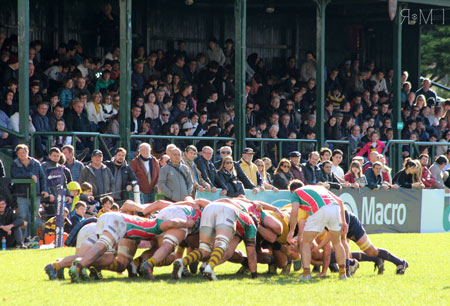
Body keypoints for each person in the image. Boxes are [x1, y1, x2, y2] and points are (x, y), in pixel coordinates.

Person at [175, 199, 258, 281]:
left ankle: (183, 262)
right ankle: (209, 267)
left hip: (209, 209)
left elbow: (229, 251)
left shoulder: (240, 220)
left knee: (205, 249)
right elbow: (251, 253)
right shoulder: (251, 225)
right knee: (221, 244)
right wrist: (254, 275)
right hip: (226, 212)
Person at [287, 181, 348, 280]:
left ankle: (306, 274)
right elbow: (340, 201)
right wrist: (344, 222)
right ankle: (342, 273)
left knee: (305, 242)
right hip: (335, 208)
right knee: (337, 242)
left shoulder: (296, 193)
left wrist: (291, 231)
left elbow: (294, 212)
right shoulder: (320, 188)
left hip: (320, 209)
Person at [11, 144, 49, 238]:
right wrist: (30, 175)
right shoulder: (15, 163)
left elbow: (42, 177)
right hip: (21, 194)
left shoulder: (36, 163)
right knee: (23, 216)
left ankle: (30, 237)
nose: (21, 154)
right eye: (19, 153)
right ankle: (41, 225)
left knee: (33, 216)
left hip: (35, 194)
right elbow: (15, 175)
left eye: (23, 152)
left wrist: (44, 190)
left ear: (27, 152)